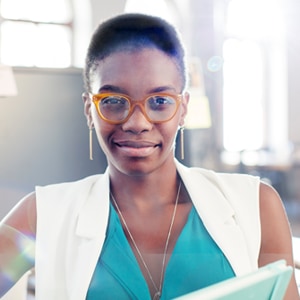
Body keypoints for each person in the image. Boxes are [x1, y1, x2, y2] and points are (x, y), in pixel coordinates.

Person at [0, 13, 299, 300]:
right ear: (89, 110)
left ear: (183, 109)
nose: (137, 123)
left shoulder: (256, 206)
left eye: (159, 101)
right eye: (114, 101)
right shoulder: (42, 215)